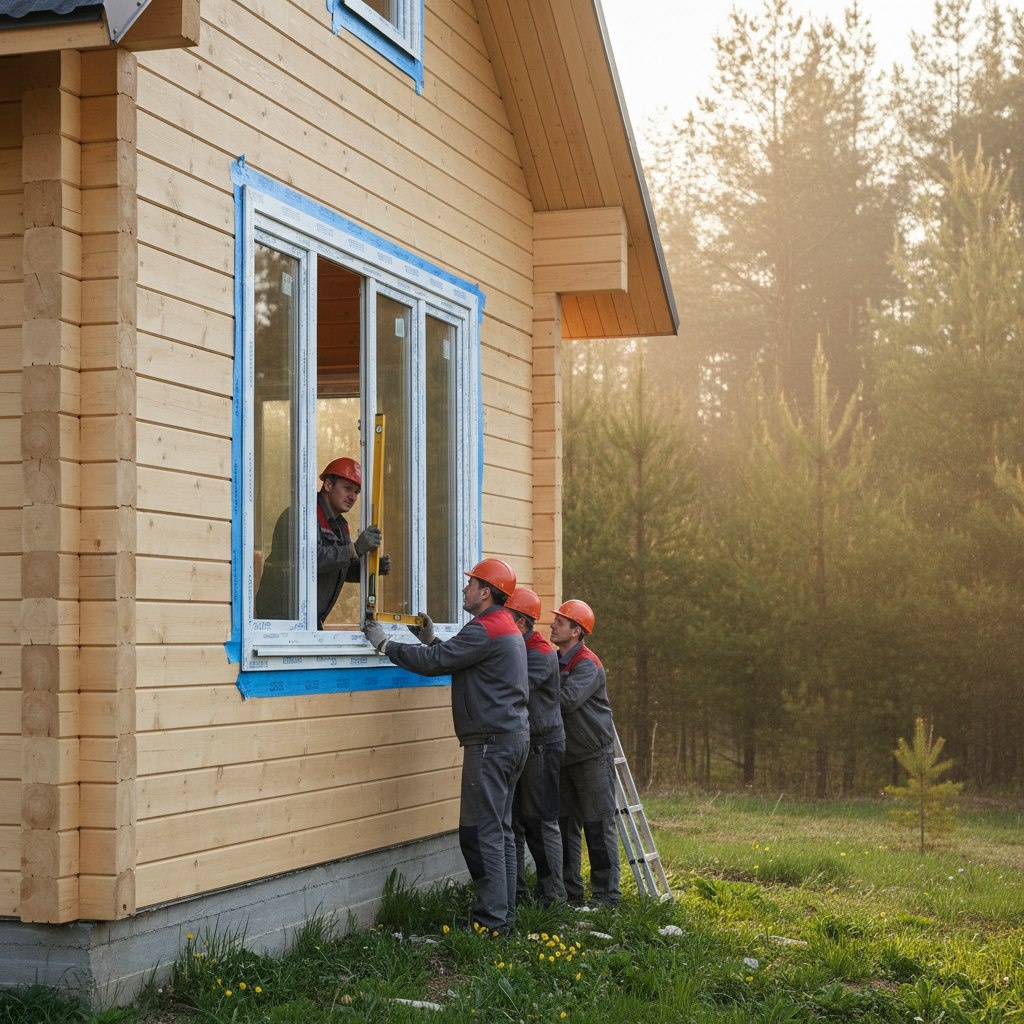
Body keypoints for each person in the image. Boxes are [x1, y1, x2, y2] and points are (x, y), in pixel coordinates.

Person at [362, 558, 529, 935]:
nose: (465, 589)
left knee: (481, 832)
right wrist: (432, 640)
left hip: (490, 745)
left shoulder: (485, 628)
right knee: (499, 831)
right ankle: (503, 916)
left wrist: (386, 643)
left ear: (486, 593)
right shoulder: (502, 627)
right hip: (511, 740)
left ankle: (490, 922)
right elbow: (462, 660)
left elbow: (438, 663)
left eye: (470, 584)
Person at [255, 457, 389, 628]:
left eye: (356, 492)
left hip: (309, 622)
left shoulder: (340, 526)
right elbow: (311, 561)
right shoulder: (301, 515)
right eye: (347, 488)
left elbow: (340, 569)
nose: (353, 497)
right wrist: (355, 549)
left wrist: (372, 569)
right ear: (328, 485)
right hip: (280, 621)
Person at [550, 599, 620, 907]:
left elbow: (566, 700)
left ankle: (606, 897)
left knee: (598, 827)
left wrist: (544, 684)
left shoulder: (587, 664)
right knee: (566, 828)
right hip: (565, 756)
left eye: (560, 622)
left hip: (593, 757)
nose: (552, 625)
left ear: (577, 631)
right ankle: (572, 894)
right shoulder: (556, 661)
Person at [506, 587, 566, 906]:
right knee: (515, 821)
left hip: (542, 746)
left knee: (540, 821)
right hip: (523, 745)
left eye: (505, 616)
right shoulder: (519, 646)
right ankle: (517, 892)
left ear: (521, 622)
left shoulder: (539, 653)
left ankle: (553, 894)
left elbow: (513, 687)